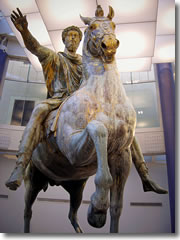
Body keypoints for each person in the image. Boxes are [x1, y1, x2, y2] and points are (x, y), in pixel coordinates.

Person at [5, 8, 167, 194]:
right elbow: (35, 47)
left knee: (123, 124)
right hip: (60, 100)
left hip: (86, 104)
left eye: (76, 37)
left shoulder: (87, 62)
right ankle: (20, 165)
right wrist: (24, 31)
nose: (73, 39)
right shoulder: (54, 58)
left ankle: (144, 174)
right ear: (64, 39)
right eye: (70, 36)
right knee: (39, 110)